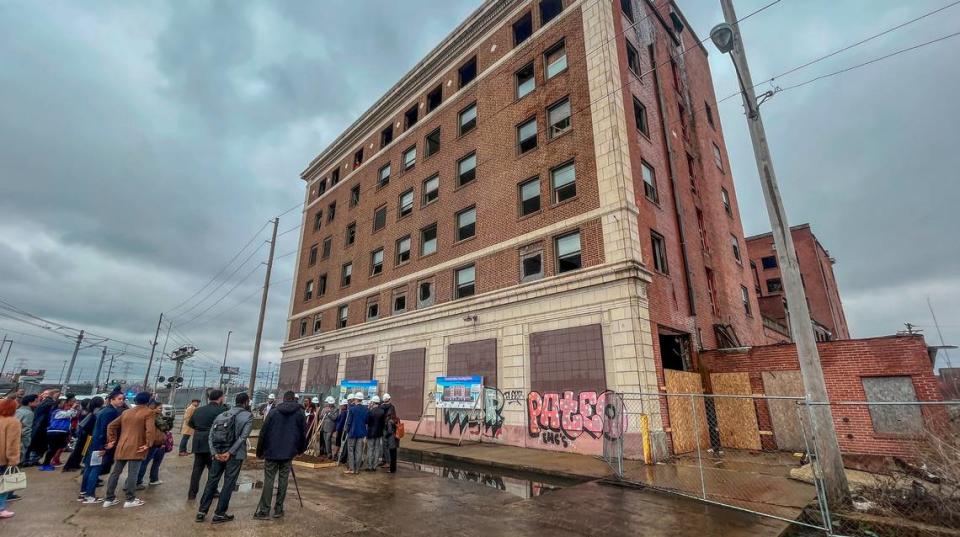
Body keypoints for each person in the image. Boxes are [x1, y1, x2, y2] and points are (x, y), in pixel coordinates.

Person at [197, 393, 252, 524]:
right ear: (246, 402)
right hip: (235, 455)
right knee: (228, 483)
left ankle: (201, 512)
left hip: (217, 454)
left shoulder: (222, 414)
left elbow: (211, 435)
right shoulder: (247, 416)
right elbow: (243, 437)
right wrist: (230, 452)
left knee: (212, 481)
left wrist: (214, 452)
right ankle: (219, 514)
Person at [254, 391, 305, 520]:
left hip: (271, 451)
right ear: (294, 399)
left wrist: (259, 451)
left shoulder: (273, 412)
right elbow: (303, 434)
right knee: (283, 480)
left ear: (283, 399)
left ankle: (264, 510)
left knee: (269, 480)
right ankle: (278, 509)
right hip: (288, 452)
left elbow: (263, 433)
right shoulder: (299, 413)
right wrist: (300, 450)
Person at [103, 392, 156, 509]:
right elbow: (150, 430)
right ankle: (130, 499)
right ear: (148, 401)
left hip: (122, 446)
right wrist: (148, 443)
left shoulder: (126, 412)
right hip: (137, 447)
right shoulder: (149, 412)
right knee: (133, 474)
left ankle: (109, 498)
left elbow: (111, 425)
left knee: (115, 473)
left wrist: (112, 440)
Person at [80, 392, 124, 504]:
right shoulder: (110, 412)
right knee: (95, 469)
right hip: (99, 444)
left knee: (89, 468)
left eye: (122, 399)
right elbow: (106, 429)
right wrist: (104, 446)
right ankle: (90, 495)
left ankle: (84, 492)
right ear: (112, 400)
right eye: (119, 399)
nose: (121, 401)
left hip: (94, 442)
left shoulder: (103, 410)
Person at [187, 389, 228, 501]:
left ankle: (192, 494)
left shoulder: (199, 410)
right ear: (220, 398)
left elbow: (190, 423)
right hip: (213, 442)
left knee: (197, 469)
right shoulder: (222, 410)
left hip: (198, 441)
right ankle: (212, 491)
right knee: (213, 469)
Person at [136, 401, 170, 488]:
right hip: (154, 442)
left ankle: (150, 479)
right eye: (160, 408)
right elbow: (165, 427)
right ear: (153, 407)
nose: (161, 410)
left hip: (151, 442)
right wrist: (169, 419)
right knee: (145, 462)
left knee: (145, 462)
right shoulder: (154, 415)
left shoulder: (144, 414)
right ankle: (137, 481)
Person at [64, 396, 103, 473]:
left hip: (84, 434)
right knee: (80, 450)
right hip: (87, 434)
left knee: (80, 450)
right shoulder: (90, 413)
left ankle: (75, 464)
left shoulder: (88, 412)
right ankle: (71, 465)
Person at [39, 396, 78, 471]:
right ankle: (45, 464)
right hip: (54, 432)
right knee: (52, 449)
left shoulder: (64, 412)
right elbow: (67, 414)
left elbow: (73, 415)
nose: (67, 406)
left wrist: (74, 409)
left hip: (61, 433)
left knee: (55, 449)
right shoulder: (57, 412)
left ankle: (47, 463)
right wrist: (72, 408)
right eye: (64, 404)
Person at [0, 399, 22, 519]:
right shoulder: (13, 422)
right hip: (3, 459)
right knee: (4, 486)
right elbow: (12, 443)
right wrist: (13, 460)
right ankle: (0, 508)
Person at [27, 389, 58, 466]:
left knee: (37, 445)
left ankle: (32, 460)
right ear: (54, 394)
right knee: (40, 446)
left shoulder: (44, 402)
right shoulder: (50, 403)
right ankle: (32, 460)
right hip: (42, 427)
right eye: (58, 394)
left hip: (39, 426)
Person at [344, 392, 368, 475]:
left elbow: (349, 422)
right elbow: (366, 421)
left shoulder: (352, 409)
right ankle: (357, 469)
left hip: (352, 432)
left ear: (355, 399)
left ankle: (351, 468)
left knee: (351, 450)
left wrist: (346, 430)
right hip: (361, 433)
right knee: (359, 451)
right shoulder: (366, 409)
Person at [14, 395, 37, 468]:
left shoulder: (17, 411)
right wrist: (27, 443)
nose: (38, 403)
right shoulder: (29, 413)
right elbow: (26, 429)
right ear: (30, 403)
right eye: (36, 402)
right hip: (20, 440)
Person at [365, 395, 385, 472]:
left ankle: (370, 466)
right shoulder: (382, 411)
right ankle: (375, 466)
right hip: (379, 433)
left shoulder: (370, 411)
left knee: (370, 449)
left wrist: (368, 408)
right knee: (377, 449)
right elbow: (383, 423)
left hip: (370, 433)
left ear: (373, 402)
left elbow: (366, 421)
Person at [380, 393, 395, 468]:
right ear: (389, 399)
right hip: (391, 428)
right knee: (387, 445)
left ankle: (388, 462)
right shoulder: (392, 407)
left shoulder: (382, 407)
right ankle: (384, 460)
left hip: (385, 428)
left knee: (385, 445)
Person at [384, 407, 400, 474]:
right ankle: (394, 468)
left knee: (391, 455)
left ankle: (391, 469)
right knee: (394, 455)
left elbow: (390, 431)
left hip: (391, 439)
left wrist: (386, 435)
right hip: (396, 438)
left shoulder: (390, 420)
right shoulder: (397, 419)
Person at [334, 398, 349, 463]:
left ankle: (336, 455)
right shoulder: (346, 412)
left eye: (341, 405)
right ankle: (338, 455)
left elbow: (341, 422)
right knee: (340, 443)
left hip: (341, 430)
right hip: (343, 430)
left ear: (344, 406)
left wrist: (337, 430)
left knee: (338, 443)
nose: (340, 406)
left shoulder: (343, 413)